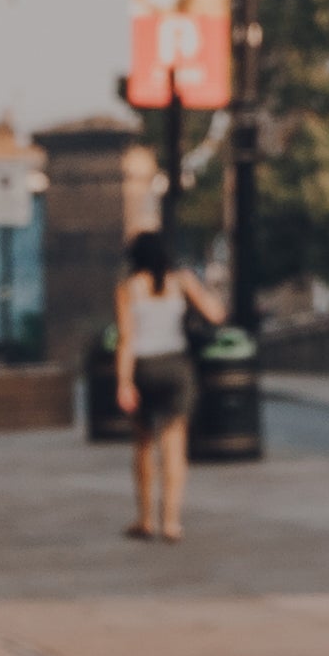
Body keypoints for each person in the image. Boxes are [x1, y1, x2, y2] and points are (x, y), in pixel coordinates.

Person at [115, 232, 197, 542]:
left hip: (145, 369)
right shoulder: (182, 281)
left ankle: (145, 519)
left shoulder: (128, 288)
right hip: (176, 367)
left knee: (144, 445)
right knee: (174, 445)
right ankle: (172, 522)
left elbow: (127, 339)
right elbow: (216, 313)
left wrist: (124, 383)